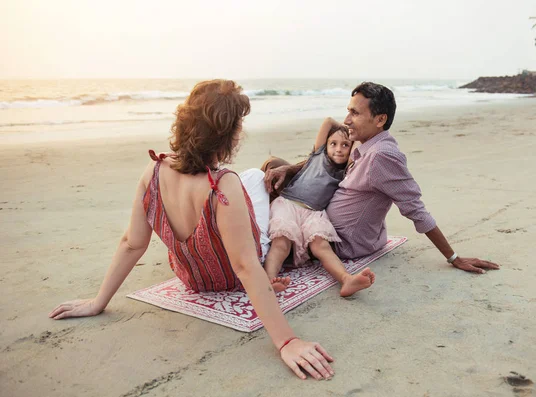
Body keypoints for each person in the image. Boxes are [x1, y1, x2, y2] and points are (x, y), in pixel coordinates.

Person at [48, 80, 334, 381]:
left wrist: (98, 302)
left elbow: (132, 243)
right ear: (229, 136)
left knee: (250, 179)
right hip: (229, 276)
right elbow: (245, 266)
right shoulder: (224, 184)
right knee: (254, 178)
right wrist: (287, 341)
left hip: (192, 278)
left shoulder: (154, 171)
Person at [264, 82, 499, 274]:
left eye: (355, 113)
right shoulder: (363, 142)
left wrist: (454, 257)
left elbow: (415, 209)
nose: (346, 120)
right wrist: (290, 169)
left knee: (263, 206)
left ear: (380, 120)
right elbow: (326, 144)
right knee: (273, 165)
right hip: (318, 214)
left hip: (338, 241)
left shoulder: (382, 157)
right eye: (348, 111)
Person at [264, 118, 376, 297]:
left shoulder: (347, 169)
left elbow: (358, 143)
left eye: (345, 145)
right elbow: (328, 121)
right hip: (288, 204)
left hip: (314, 213)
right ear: (326, 145)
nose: (338, 149)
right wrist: (345, 127)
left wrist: (354, 135)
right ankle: (268, 282)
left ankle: (346, 279)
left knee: (321, 246)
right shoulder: (317, 155)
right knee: (281, 243)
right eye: (333, 144)